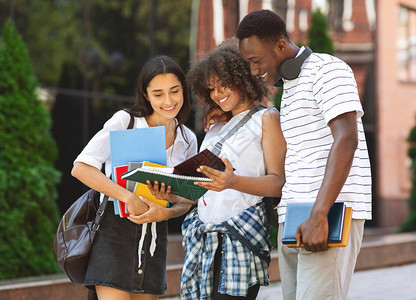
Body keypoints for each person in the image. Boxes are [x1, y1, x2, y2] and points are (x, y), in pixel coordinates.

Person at [234, 10, 373, 300]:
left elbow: (346, 139)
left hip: (328, 214)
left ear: (281, 46)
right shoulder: (292, 88)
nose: (253, 70)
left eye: (256, 60)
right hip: (295, 216)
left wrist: (319, 214)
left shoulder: (327, 70)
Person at [145, 39, 286, 299]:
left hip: (239, 238)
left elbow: (278, 182)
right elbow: (204, 190)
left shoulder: (267, 119)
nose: (217, 93)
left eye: (224, 84)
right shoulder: (215, 127)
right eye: (211, 88)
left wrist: (233, 182)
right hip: (204, 238)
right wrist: (173, 195)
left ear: (243, 78)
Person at [71, 55, 198, 300]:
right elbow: (81, 167)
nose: (169, 100)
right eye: (158, 94)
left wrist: (168, 211)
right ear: (146, 94)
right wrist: (127, 197)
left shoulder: (187, 139)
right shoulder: (126, 122)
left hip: (154, 237)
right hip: (114, 232)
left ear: (184, 90)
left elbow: (187, 199)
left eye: (175, 91)